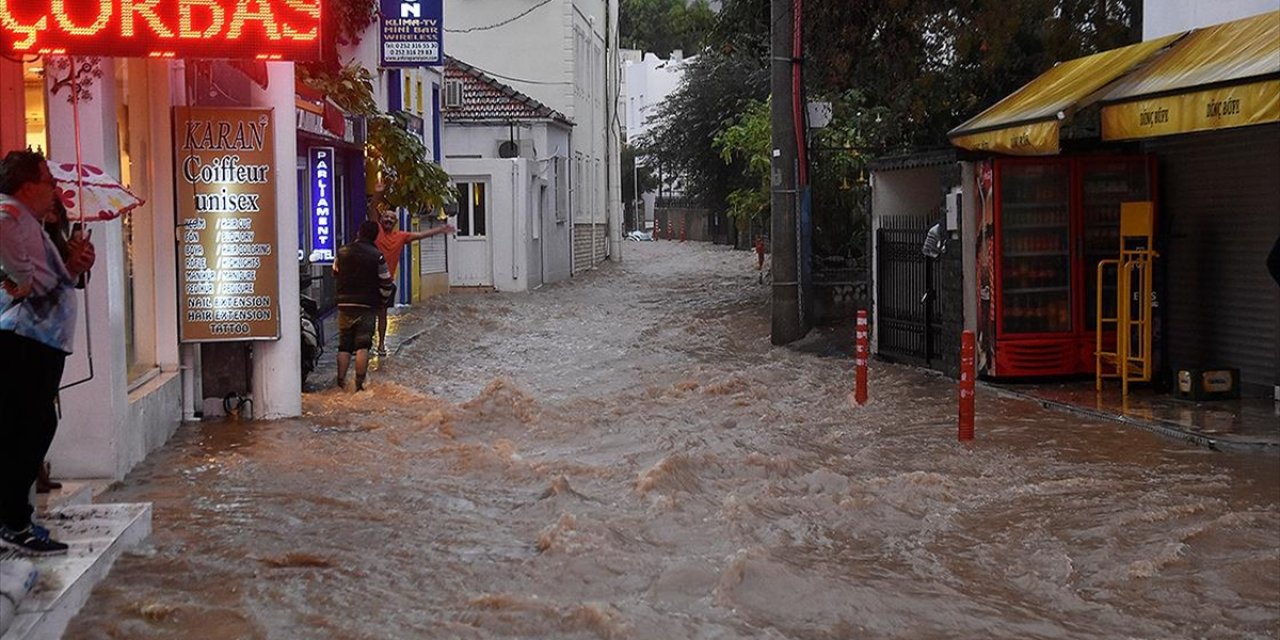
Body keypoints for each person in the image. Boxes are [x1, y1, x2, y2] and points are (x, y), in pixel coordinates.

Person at [0, 150, 96, 556]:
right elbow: (25, 281)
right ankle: (14, 522)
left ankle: (16, 518)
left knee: (35, 426)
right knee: (27, 429)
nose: (54, 190)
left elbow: (50, 280)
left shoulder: (28, 222)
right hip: (24, 340)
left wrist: (72, 266)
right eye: (48, 182)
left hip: (42, 341)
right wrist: (55, 274)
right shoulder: (8, 218)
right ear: (26, 186)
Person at [373, 208, 453, 356]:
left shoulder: (401, 236)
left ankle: (381, 344)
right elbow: (372, 209)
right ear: (380, 219)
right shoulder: (376, 231)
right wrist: (378, 193)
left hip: (386, 283)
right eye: (386, 217)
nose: (389, 220)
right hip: (369, 281)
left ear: (396, 222)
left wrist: (440, 229)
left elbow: (420, 235)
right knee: (368, 313)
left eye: (392, 218)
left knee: (382, 313)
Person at [333, 220, 393, 391]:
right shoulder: (377, 256)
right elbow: (386, 282)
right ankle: (359, 384)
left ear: (359, 233)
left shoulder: (342, 252)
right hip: (367, 305)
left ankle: (340, 382)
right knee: (363, 344)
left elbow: (335, 272)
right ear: (375, 236)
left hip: (345, 304)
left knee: (344, 344)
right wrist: (382, 301)